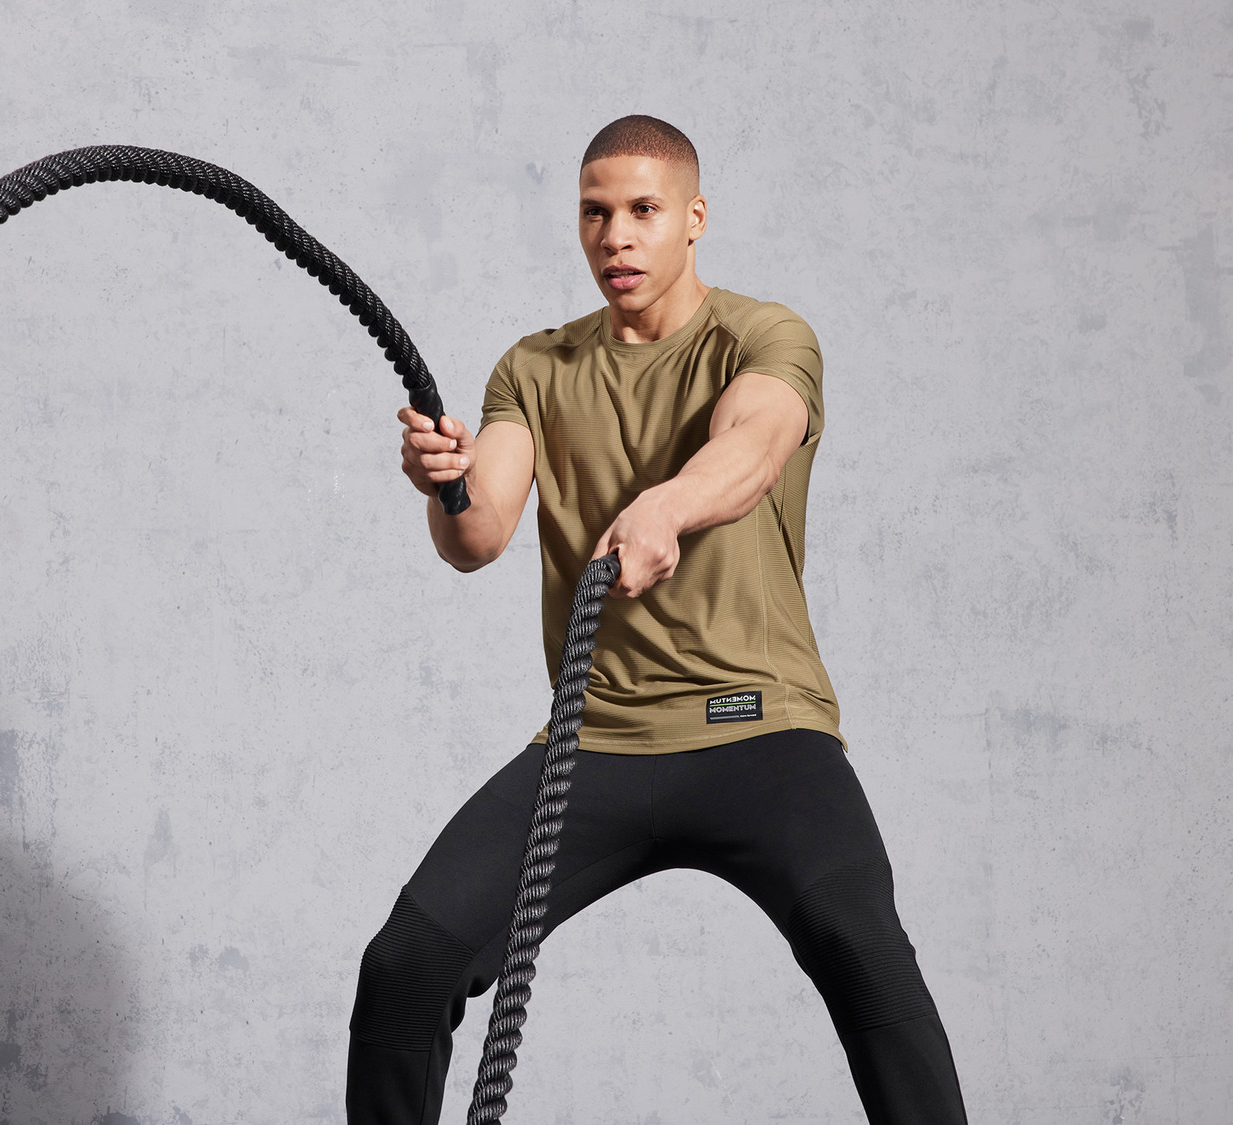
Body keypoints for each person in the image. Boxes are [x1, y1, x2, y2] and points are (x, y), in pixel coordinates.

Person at [346, 115, 969, 1124]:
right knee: (404, 967)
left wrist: (666, 509)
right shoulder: (535, 368)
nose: (617, 237)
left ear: (694, 218)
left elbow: (755, 441)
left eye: (643, 210)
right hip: (593, 742)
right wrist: (445, 484)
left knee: (864, 950)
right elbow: (478, 537)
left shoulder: (763, 336)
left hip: (758, 729)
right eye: (595, 214)